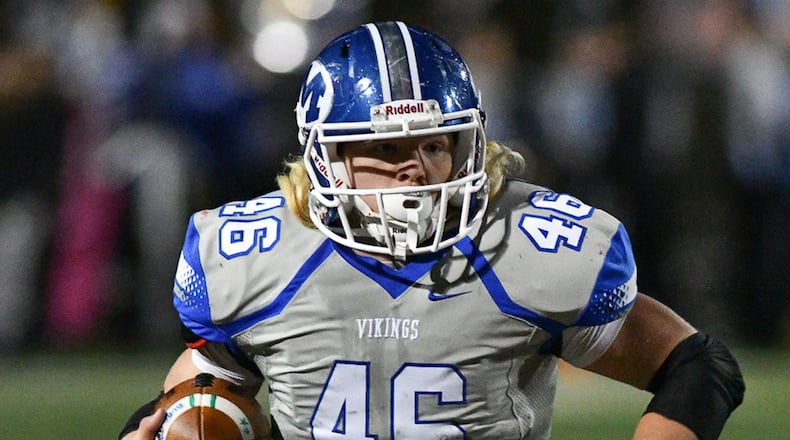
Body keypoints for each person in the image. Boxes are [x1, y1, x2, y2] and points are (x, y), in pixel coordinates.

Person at [120, 21, 744, 440]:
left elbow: (698, 366)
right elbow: (200, 399)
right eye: (385, 145)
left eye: (434, 143)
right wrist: (160, 422)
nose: (413, 165)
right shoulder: (263, 257)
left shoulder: (520, 246)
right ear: (324, 157)